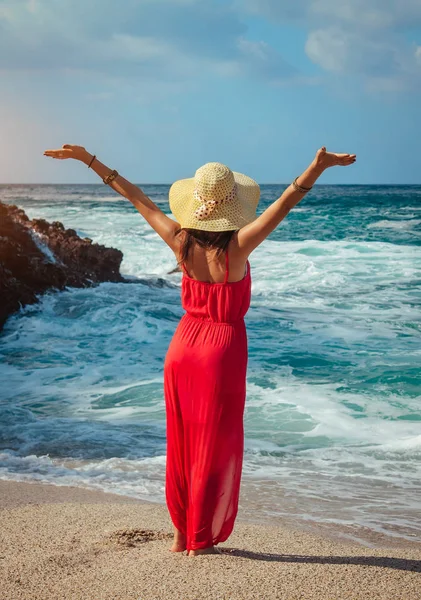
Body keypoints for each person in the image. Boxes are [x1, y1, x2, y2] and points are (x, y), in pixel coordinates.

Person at [43, 144, 356, 557]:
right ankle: (200, 541)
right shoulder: (238, 246)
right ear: (233, 206)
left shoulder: (179, 239)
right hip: (221, 350)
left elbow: (135, 196)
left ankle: (181, 534)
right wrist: (316, 167)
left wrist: (89, 160)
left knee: (184, 442)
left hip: (183, 347)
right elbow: (286, 203)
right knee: (214, 444)